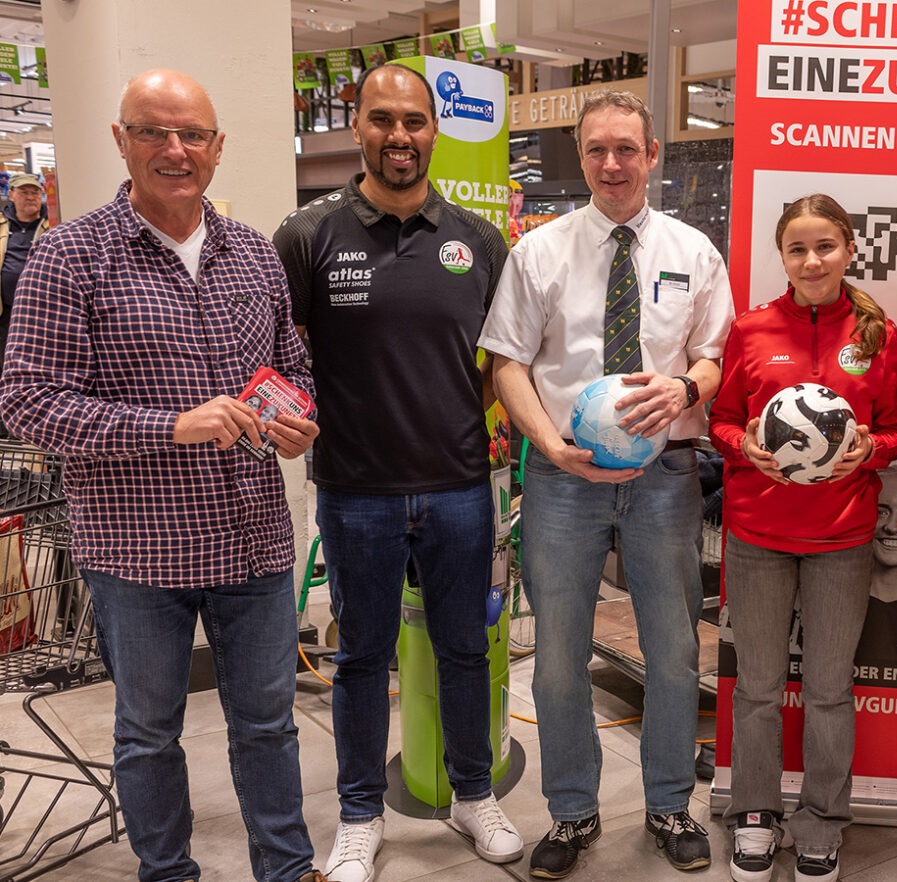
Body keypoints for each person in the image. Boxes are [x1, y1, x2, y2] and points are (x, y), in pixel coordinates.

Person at [0, 69, 327, 882]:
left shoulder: (253, 250)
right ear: (122, 140)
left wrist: (299, 421)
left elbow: (292, 367)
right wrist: (170, 426)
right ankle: (168, 872)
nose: (174, 151)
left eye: (192, 136)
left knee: (268, 726)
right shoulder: (71, 256)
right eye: (153, 132)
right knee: (148, 731)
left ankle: (284, 869)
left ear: (217, 148)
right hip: (137, 554)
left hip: (253, 542)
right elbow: (26, 403)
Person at [272, 62, 522, 882]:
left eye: (414, 121)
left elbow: (500, 362)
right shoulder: (308, 236)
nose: (399, 136)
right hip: (354, 491)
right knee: (361, 659)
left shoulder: (480, 241)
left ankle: (473, 794)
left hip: (457, 486)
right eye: (382, 120)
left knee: (463, 650)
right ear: (359, 130)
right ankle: (357, 816)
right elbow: (282, 351)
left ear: (434, 131)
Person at [478, 89, 734, 877]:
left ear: (653, 155)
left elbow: (716, 358)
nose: (612, 164)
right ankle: (572, 812)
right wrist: (550, 445)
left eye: (628, 148)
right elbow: (506, 363)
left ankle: (667, 805)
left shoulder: (694, 253)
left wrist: (688, 390)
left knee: (670, 649)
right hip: (564, 481)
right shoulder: (539, 252)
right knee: (555, 657)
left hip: (665, 477)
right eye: (597, 150)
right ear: (582, 157)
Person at [708, 194, 897, 882]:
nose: (812, 260)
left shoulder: (878, 335)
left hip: (842, 540)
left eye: (825, 246)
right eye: (798, 249)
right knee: (758, 688)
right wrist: (746, 449)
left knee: (827, 691)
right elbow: (723, 420)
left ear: (849, 249)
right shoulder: (753, 329)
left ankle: (822, 821)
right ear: (782, 256)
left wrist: (871, 450)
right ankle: (755, 815)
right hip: (759, 535)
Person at [0, 173, 50, 370]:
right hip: (6, 311)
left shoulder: (53, 223)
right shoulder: (2, 226)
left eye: (35, 192)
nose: (31, 197)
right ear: (11, 195)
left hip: (42, 310)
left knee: (39, 362)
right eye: (24, 192)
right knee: (6, 363)